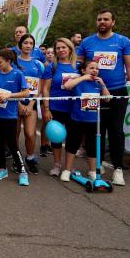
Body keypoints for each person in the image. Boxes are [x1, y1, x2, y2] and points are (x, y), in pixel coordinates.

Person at [76, 9, 130, 186]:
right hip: (92, 92)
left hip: (117, 91)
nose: (102, 22)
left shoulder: (122, 41)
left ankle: (118, 168)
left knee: (116, 130)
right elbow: (78, 65)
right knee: (95, 129)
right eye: (99, 19)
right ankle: (96, 165)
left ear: (113, 22)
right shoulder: (87, 42)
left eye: (106, 19)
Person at [61, 60, 111, 182]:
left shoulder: (98, 82)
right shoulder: (78, 80)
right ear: (83, 70)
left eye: (97, 68)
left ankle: (92, 171)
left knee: (92, 146)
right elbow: (67, 86)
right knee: (72, 145)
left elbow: (107, 99)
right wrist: (83, 78)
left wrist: (103, 84)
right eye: (92, 68)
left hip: (93, 121)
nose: (95, 70)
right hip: (76, 118)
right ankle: (67, 170)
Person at [0, 49, 31, 185]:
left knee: (12, 144)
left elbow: (26, 92)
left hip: (10, 116)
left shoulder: (18, 74)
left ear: (9, 61)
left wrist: (10, 95)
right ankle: (2, 169)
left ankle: (22, 171)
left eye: (0, 62)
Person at [41, 38, 79, 176]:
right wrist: (46, 108)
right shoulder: (51, 67)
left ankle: (69, 166)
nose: (61, 50)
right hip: (56, 108)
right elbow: (46, 89)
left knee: (72, 138)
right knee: (56, 138)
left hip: (75, 109)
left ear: (70, 49)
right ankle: (56, 165)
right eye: (58, 48)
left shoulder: (78, 66)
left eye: (64, 47)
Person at [15, 33, 45, 174]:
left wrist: (31, 104)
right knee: (14, 133)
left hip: (31, 104)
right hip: (15, 104)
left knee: (30, 133)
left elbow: (38, 87)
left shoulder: (37, 64)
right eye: (25, 43)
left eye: (30, 43)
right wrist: (19, 104)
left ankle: (30, 158)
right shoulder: (14, 62)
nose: (28, 45)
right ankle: (17, 159)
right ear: (20, 45)